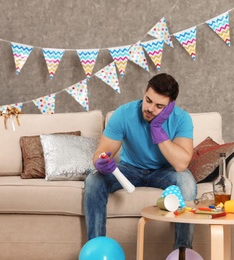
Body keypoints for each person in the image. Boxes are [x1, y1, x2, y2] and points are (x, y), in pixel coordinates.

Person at [84, 73, 197, 250]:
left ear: (170, 106)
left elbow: (181, 164)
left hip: (164, 171)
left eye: (160, 106)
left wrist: (157, 129)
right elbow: (101, 152)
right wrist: (100, 162)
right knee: (94, 180)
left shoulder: (182, 119)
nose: (151, 109)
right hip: (130, 169)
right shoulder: (124, 113)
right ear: (144, 93)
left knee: (187, 182)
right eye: (148, 100)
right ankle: (96, 248)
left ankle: (182, 252)